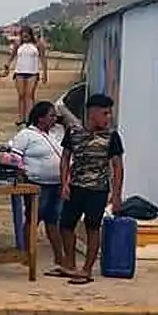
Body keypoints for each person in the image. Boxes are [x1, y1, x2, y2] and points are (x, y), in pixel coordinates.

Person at [58, 93, 124, 284]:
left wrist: (116, 195)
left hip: (98, 189)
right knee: (65, 225)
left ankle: (86, 270)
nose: (108, 118)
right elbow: (65, 158)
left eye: (109, 113)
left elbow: (118, 166)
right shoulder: (74, 132)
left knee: (92, 227)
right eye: (105, 113)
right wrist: (64, 183)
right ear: (92, 113)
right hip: (75, 187)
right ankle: (70, 264)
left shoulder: (112, 137)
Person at [9, 101, 66, 273]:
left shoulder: (55, 134)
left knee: (53, 221)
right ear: (41, 118)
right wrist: (23, 180)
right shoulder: (25, 135)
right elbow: (15, 159)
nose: (54, 119)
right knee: (33, 219)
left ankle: (59, 257)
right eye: (51, 116)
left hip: (56, 184)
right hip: (37, 184)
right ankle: (27, 255)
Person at [5, 25, 49, 126]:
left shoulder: (38, 45)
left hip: (32, 73)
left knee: (29, 95)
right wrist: (7, 64)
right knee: (21, 95)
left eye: (27, 35)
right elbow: (12, 56)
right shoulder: (18, 44)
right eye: (23, 35)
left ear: (30, 35)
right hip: (19, 72)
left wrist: (45, 73)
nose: (25, 37)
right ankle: (21, 117)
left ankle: (30, 117)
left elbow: (43, 59)